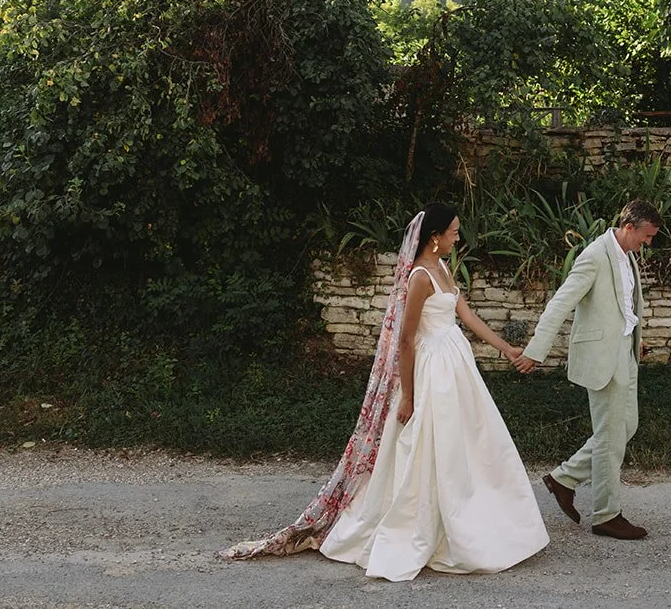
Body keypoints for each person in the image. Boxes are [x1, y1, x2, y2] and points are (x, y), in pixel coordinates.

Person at [220, 204, 549, 580]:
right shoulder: (420, 277)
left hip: (456, 363)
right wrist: (408, 396)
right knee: (429, 445)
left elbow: (467, 315)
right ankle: (425, 524)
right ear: (435, 236)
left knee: (471, 443)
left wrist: (506, 349)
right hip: (431, 370)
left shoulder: (444, 266)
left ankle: (473, 519)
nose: (460, 236)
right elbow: (406, 340)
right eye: (454, 231)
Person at [514, 198, 660, 540]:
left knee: (627, 426)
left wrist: (633, 336)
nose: (648, 243)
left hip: (625, 353)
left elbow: (622, 306)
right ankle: (607, 515)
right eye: (647, 236)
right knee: (611, 436)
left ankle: (564, 478)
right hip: (602, 360)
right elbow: (560, 303)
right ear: (628, 228)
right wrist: (536, 350)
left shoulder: (627, 256)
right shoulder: (594, 256)